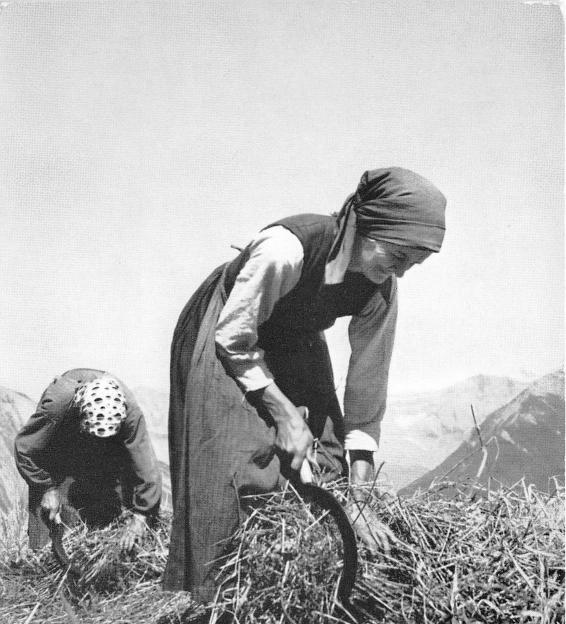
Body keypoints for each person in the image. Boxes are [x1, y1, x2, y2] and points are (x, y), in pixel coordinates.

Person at [164, 167, 446, 599]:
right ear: (367, 227)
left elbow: (367, 384)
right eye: (397, 257)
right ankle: (227, 597)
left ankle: (308, 583)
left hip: (294, 334)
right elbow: (234, 337)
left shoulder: (381, 287)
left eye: (414, 264)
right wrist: (282, 413)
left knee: (327, 451)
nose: (402, 273)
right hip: (228, 327)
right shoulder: (286, 250)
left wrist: (361, 492)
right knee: (241, 457)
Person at [14, 369, 162, 551]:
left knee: (111, 511)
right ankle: (44, 557)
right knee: (48, 526)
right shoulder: (58, 405)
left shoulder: (130, 413)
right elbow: (25, 448)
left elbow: (146, 465)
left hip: (109, 454)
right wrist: (46, 488)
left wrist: (141, 516)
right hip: (60, 444)